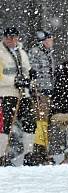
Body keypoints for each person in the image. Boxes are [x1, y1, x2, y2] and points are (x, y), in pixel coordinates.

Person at [0, 27, 36, 166]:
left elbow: (26, 71)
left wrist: (31, 78)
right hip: (6, 93)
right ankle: (2, 156)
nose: (11, 40)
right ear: (4, 38)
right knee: (5, 126)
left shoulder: (22, 52)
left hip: (23, 93)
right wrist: (14, 81)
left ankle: (29, 154)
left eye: (14, 37)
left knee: (30, 122)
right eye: (9, 37)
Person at [27, 30, 56, 164]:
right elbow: (32, 70)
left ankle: (43, 149)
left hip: (48, 90)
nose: (52, 42)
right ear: (44, 40)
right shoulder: (35, 52)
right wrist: (35, 87)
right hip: (40, 91)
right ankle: (39, 150)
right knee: (41, 120)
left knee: (44, 120)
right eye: (50, 40)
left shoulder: (48, 53)